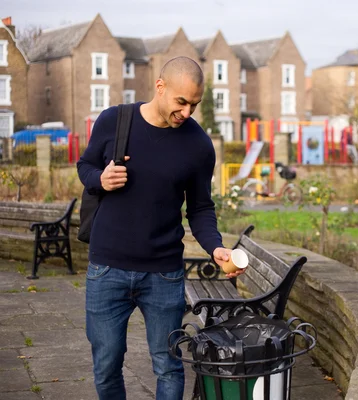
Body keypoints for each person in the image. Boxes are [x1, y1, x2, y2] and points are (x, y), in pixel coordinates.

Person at [77, 56, 243, 400]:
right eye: (181, 102)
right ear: (160, 86)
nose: (187, 112)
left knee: (168, 366)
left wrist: (215, 247)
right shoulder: (114, 121)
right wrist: (101, 179)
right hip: (107, 268)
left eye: (194, 104)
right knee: (106, 365)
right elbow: (86, 165)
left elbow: (200, 208)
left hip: (164, 274)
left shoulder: (198, 145)